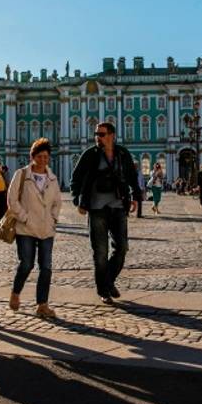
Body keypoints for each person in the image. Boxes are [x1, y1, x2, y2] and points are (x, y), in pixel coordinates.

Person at [70, 122, 140, 305]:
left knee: (122, 248)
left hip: (118, 206)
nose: (97, 137)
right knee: (100, 252)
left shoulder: (122, 154)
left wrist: (136, 197)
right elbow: (76, 177)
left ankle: (107, 281)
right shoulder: (90, 154)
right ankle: (104, 290)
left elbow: (132, 176)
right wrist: (77, 200)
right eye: (96, 134)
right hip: (96, 208)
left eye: (101, 134)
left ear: (112, 135)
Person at [6, 137, 62, 318]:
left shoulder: (52, 178)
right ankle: (16, 292)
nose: (43, 160)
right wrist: (24, 217)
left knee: (46, 267)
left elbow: (57, 202)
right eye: (40, 156)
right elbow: (12, 200)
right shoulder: (22, 175)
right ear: (33, 156)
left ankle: (42, 304)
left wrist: (53, 218)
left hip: (46, 229)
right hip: (26, 229)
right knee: (27, 264)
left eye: (46, 157)